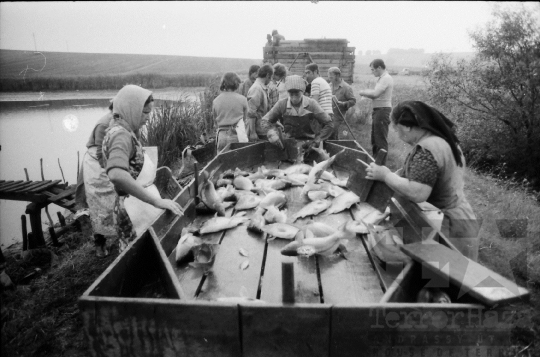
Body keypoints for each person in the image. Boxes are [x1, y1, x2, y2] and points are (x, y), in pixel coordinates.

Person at [365, 101, 480, 261]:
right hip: (463, 218)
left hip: (449, 228)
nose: (399, 136)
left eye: (397, 130)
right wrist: (394, 175)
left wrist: (385, 175)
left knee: (445, 281)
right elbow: (423, 176)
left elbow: (418, 192)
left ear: (406, 126)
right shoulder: (443, 140)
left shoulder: (427, 150)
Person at [102, 85, 183, 251]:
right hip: (135, 208)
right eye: (144, 112)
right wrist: (155, 200)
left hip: (138, 203)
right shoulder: (121, 135)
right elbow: (116, 174)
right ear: (130, 109)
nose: (148, 117)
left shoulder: (121, 128)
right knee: (144, 254)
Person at [74, 101, 117, 257]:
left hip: (109, 162)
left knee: (115, 202)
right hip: (96, 166)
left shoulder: (122, 122)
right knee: (97, 206)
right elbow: (101, 154)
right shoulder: (104, 124)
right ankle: (100, 246)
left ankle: (118, 237)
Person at [261, 75, 333, 153]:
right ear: (287, 92)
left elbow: (329, 123)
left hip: (310, 144)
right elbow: (265, 120)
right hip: (289, 145)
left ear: (302, 91)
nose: (294, 97)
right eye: (291, 94)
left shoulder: (311, 104)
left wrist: (318, 140)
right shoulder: (282, 104)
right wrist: (271, 132)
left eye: (297, 93)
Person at [358, 59, 394, 156]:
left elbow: (375, 94)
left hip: (382, 111)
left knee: (380, 140)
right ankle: (375, 163)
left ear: (379, 68)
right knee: (375, 139)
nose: (372, 72)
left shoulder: (386, 78)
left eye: (373, 69)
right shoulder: (382, 78)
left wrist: (362, 92)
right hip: (379, 110)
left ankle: (380, 166)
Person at [212, 72, 248, 152]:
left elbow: (215, 122)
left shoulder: (216, 101)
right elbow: (245, 120)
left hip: (221, 136)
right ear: (236, 84)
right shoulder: (243, 99)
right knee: (238, 162)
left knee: (221, 162)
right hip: (237, 136)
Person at [246, 63, 274, 141]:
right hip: (257, 132)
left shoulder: (262, 87)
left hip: (262, 129)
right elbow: (251, 112)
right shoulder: (257, 89)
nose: (271, 80)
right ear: (268, 75)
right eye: (271, 77)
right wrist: (252, 133)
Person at [328, 67, 356, 140]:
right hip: (328, 114)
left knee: (332, 133)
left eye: (331, 76)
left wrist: (343, 104)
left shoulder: (346, 87)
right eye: (329, 76)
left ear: (337, 76)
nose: (329, 78)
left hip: (338, 116)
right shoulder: (329, 85)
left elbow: (353, 101)